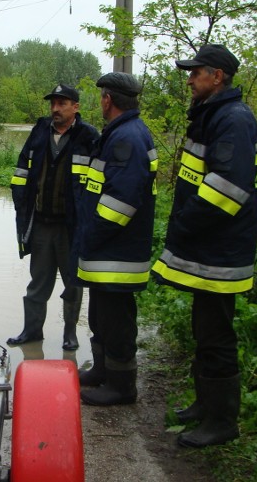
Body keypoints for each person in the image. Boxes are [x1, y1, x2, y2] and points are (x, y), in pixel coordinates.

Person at [151, 44, 257, 448]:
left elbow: (228, 191)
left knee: (216, 337)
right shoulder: (215, 115)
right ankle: (205, 405)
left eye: (195, 72)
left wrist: (183, 224)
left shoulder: (231, 119)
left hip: (220, 252)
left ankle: (222, 421)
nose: (189, 79)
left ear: (217, 76)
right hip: (210, 249)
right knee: (205, 331)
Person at [74, 72, 158, 406]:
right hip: (108, 250)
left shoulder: (127, 138)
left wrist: (91, 234)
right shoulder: (121, 133)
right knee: (102, 315)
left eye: (101, 97)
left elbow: (121, 201)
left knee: (117, 320)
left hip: (116, 251)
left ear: (108, 99)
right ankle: (103, 370)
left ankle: (122, 386)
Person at [7, 83, 99, 351]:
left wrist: (88, 221)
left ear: (76, 107)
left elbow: (98, 182)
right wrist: (20, 204)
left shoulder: (89, 136)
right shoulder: (39, 131)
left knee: (73, 283)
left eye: (62, 103)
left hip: (71, 228)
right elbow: (21, 171)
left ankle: (70, 334)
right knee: (38, 281)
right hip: (41, 224)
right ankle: (32, 332)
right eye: (53, 103)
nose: (55, 108)